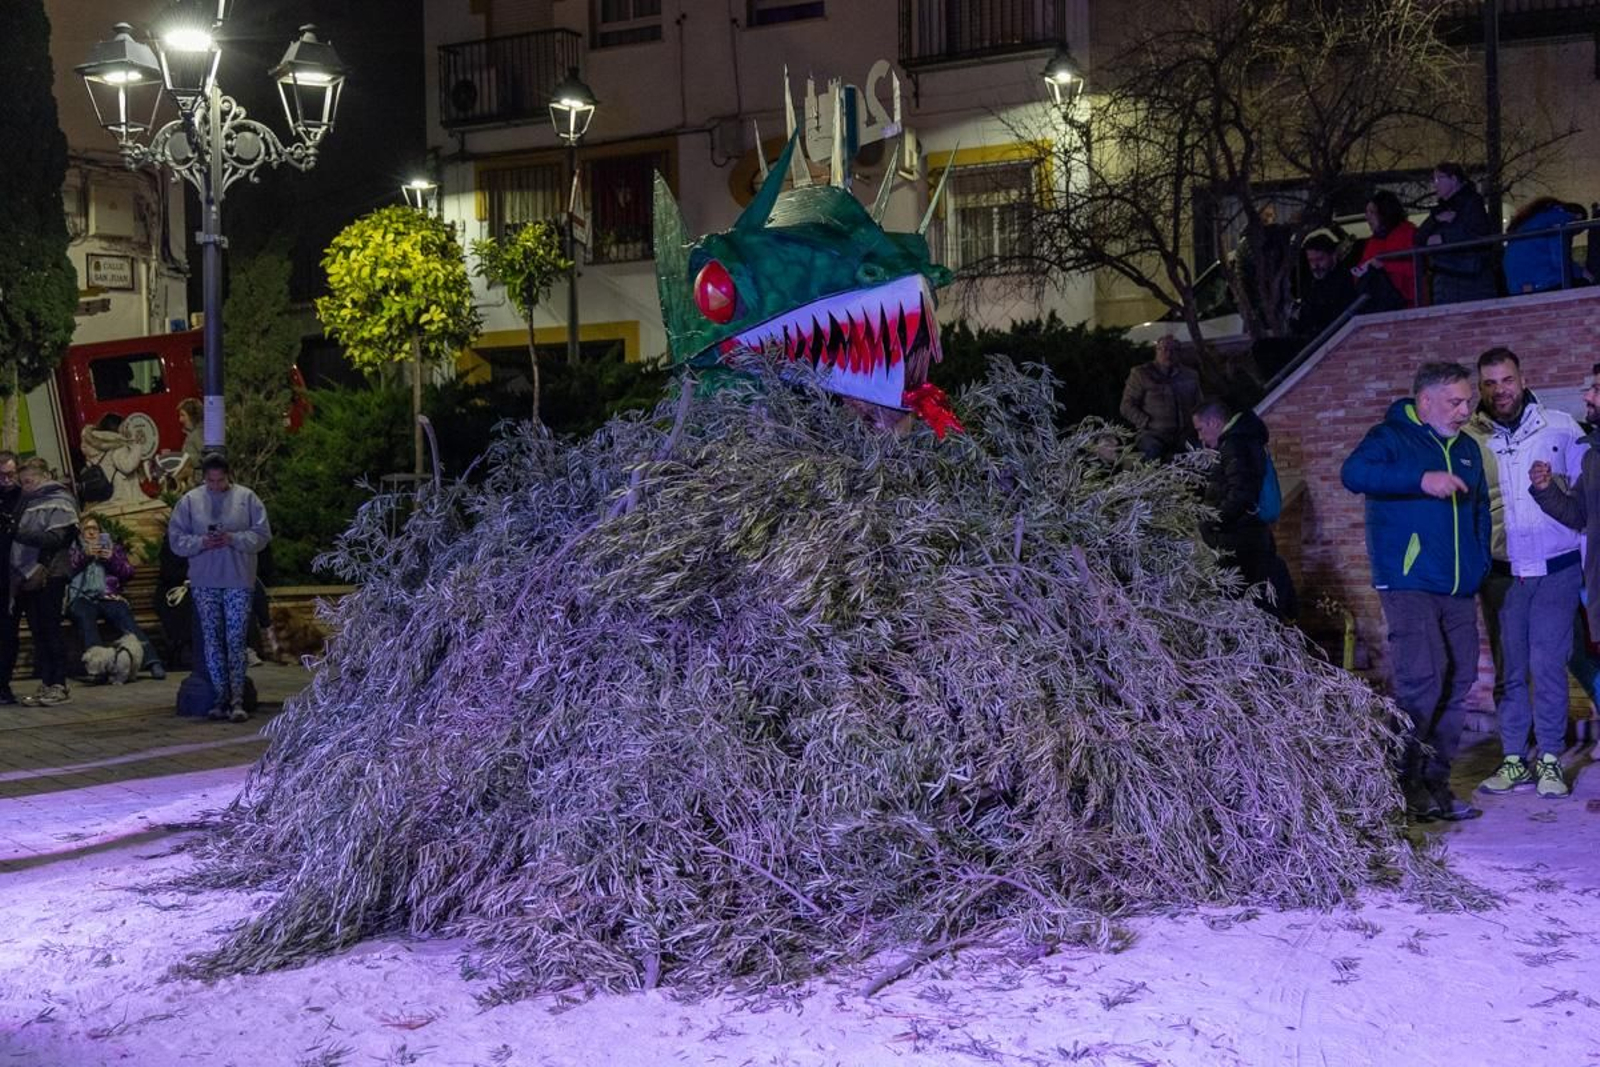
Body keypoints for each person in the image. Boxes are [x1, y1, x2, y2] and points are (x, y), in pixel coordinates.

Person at [1341, 361, 1490, 821]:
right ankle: (1401, 786)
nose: (1466, 410)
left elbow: (1479, 510)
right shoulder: (1391, 437)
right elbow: (1353, 474)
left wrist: (1479, 561)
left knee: (1459, 678)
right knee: (1422, 681)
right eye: (1455, 401)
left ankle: (1435, 782)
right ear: (1425, 402)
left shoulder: (1467, 448)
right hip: (1408, 582)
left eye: (1469, 401)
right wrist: (1421, 480)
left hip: (1458, 585)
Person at [1463, 348, 1585, 801]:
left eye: (1506, 380)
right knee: (1510, 670)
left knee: (1547, 665)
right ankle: (1515, 757)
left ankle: (1550, 759)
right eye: (1490, 383)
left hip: (1557, 568)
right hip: (1502, 575)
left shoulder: (1561, 427)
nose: (1500, 390)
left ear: (1522, 377)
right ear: (1480, 387)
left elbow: (1584, 499)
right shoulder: (1470, 438)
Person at [168, 453, 271, 722]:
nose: (215, 485)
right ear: (204, 478)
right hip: (205, 581)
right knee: (213, 642)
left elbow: (262, 536)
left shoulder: (247, 499)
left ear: (229, 476)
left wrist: (233, 538)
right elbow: (176, 541)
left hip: (238, 579)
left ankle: (236, 699)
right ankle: (220, 697)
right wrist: (202, 542)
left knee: (236, 641)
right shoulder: (190, 502)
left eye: (220, 480)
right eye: (211, 481)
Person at [1192, 400, 1297, 621]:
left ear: (1213, 422)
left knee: (1240, 613)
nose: (1200, 437)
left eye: (1200, 429)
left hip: (1239, 543)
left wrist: (1212, 520)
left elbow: (1241, 493)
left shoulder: (1235, 444)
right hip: (1249, 538)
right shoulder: (1247, 441)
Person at [10, 458, 80, 707]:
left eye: (29, 481)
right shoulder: (27, 501)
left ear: (42, 477)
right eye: (23, 482)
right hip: (28, 575)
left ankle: (59, 683)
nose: (25, 487)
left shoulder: (59, 498)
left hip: (51, 572)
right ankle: (47, 681)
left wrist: (16, 532)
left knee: (50, 628)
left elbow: (56, 538)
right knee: (38, 630)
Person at [65, 515, 167, 681]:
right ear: (80, 533)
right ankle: (97, 668)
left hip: (108, 595)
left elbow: (128, 573)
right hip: (81, 597)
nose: (91, 533)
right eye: (87, 529)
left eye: (95, 529)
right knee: (85, 617)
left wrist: (111, 559)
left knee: (125, 618)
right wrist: (85, 556)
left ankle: (152, 662)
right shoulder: (73, 549)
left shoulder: (113, 548)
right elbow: (66, 573)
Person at [1414, 162, 1496, 305]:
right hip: (1446, 278)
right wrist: (1435, 220)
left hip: (1470, 279)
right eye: (1434, 179)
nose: (1435, 184)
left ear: (1454, 179)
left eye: (1439, 178)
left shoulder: (1472, 202)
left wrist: (1443, 238)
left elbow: (1479, 233)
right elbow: (1419, 238)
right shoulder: (1441, 209)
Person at [1119, 335, 1202, 462]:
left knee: (1202, 454)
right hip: (1153, 434)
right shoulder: (1141, 374)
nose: (1168, 353)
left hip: (1184, 435)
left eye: (1173, 350)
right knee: (1152, 455)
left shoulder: (1189, 376)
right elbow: (1127, 406)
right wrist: (1146, 422)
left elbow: (1199, 404)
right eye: (1163, 349)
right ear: (1156, 351)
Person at [1502, 197, 1587, 295]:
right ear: (1578, 217)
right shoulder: (1560, 220)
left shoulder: (1532, 221)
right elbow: (1561, 260)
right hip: (1542, 283)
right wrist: (1581, 272)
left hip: (1517, 287)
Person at [1353, 190, 1419, 308]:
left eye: (1372, 212)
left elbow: (1413, 269)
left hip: (1405, 304)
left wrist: (1384, 268)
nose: (1367, 217)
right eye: (1366, 212)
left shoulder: (1408, 234)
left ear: (1385, 213)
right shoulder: (1373, 241)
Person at [1292, 234, 1357, 339]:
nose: (1315, 266)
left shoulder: (1344, 279)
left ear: (1333, 256)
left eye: (1320, 259)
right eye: (1311, 261)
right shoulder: (1312, 283)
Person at [0, 453, 21, 706]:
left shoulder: (22, 498)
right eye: (2, 476)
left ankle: (3, 684)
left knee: (8, 634)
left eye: (10, 474)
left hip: (14, 577)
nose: (6, 480)